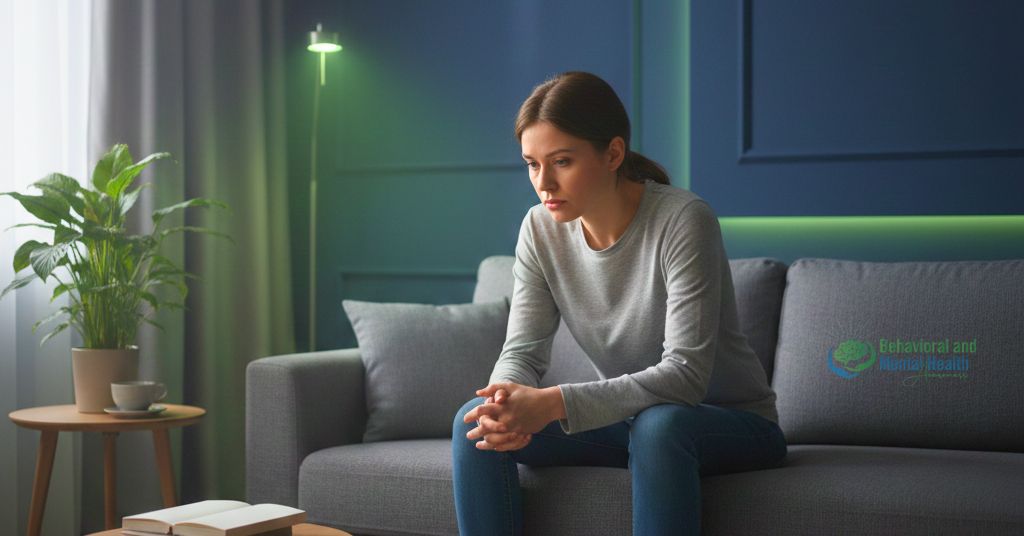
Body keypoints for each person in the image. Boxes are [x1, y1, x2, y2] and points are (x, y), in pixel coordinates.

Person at [451, 71, 787, 536]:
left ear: (612, 153)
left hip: (731, 425)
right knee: (476, 427)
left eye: (561, 161)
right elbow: (522, 350)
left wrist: (552, 403)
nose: (543, 182)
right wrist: (503, 402)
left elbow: (685, 377)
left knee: (660, 426)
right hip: (632, 423)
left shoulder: (683, 220)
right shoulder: (539, 228)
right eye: (531, 164)